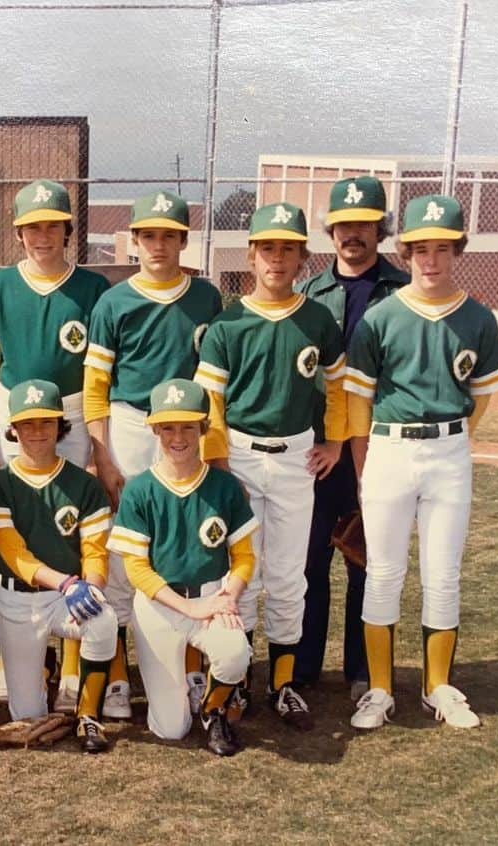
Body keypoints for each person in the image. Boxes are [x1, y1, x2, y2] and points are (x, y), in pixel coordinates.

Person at [346, 195, 498, 730]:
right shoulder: (382, 316)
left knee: (443, 576)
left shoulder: (478, 318)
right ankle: (381, 690)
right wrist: (365, 465)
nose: (430, 260)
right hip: (389, 447)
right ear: (406, 251)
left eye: (441, 249)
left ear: (457, 250)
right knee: (384, 573)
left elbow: (482, 392)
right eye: (420, 250)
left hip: (449, 451)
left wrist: (455, 438)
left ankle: (439, 686)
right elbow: (358, 398)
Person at [194, 202, 347, 730]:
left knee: (287, 574)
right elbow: (209, 398)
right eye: (267, 248)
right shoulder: (229, 321)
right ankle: (236, 681)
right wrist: (215, 459)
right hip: (237, 454)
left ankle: (282, 681)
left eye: (288, 248)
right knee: (240, 572)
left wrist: (336, 443)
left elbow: (339, 386)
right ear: (252, 255)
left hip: (296, 458)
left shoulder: (317, 318)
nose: (277, 259)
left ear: (303, 257)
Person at [0, 178, 113, 712]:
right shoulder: (2, 284)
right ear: (19, 232)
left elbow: (99, 376)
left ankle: (73, 660)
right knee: (18, 523)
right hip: (15, 410)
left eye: (52, 225)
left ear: (68, 230)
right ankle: (16, 659)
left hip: (70, 409)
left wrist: (99, 447)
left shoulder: (92, 287)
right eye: (33, 227)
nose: (43, 235)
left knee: (70, 525)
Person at [84, 189, 223, 715]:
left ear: (183, 241)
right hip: (130, 423)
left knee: (185, 540)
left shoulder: (206, 297)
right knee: (124, 548)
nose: (158, 245)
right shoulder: (114, 301)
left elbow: (211, 381)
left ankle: (188, 666)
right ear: (134, 241)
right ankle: (118, 675)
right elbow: (96, 383)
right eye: (148, 235)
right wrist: (103, 454)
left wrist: (211, 443)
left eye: (168, 235)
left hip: (184, 427)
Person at [293, 176, 408, 699]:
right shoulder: (311, 291)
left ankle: (361, 667)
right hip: (322, 447)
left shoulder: (402, 291)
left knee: (367, 556)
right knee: (312, 557)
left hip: (380, 443)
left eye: (363, 224)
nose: (352, 234)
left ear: (379, 229)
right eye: (343, 225)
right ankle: (306, 665)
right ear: (331, 231)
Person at [109, 379, 257, 756]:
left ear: (203, 428)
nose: (179, 437)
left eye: (188, 426)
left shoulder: (224, 486)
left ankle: (213, 708)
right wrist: (191, 608)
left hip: (211, 596)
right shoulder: (140, 489)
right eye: (169, 427)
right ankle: (191, 681)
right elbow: (136, 570)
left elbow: (244, 557)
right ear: (155, 430)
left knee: (236, 653)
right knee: (171, 729)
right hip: (159, 604)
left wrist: (228, 595)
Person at [0, 379, 117, 753]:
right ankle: (45, 669)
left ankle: (89, 715)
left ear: (61, 425)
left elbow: (95, 550)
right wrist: (66, 583)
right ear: (12, 428)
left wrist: (91, 588)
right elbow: (15, 554)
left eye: (46, 422)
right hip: (19, 600)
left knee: (103, 618)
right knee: (27, 712)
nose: (38, 432)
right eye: (27, 423)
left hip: (65, 600)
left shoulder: (83, 484)